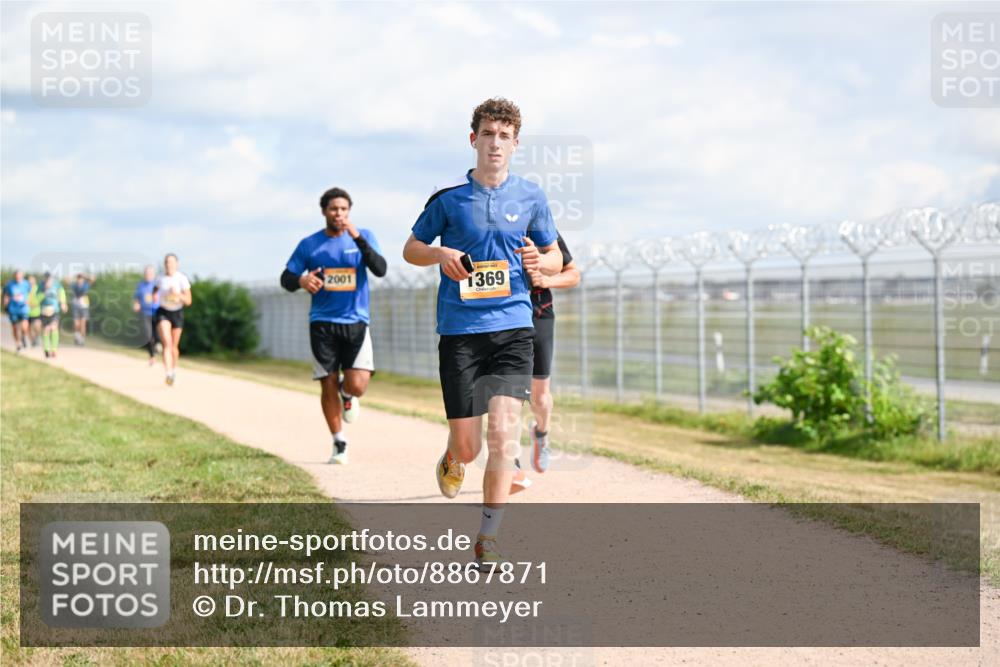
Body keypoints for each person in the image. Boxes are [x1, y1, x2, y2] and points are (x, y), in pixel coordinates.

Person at [402, 98, 562, 570]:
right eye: (488, 134)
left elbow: (555, 257)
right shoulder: (448, 201)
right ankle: (453, 455)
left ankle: (488, 537)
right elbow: (411, 248)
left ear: (516, 144)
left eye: (504, 136)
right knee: (469, 447)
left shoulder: (532, 198)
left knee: (504, 434)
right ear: (474, 140)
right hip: (460, 332)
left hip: (514, 328)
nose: (495, 143)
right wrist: (440, 255)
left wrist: (541, 264)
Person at [281, 187, 387, 465]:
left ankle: (348, 394)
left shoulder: (363, 236)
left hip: (356, 322)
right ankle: (339, 442)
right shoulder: (310, 244)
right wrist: (302, 281)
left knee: (358, 384)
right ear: (324, 212)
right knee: (326, 382)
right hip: (322, 324)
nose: (339, 214)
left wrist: (356, 237)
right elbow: (286, 277)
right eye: (333, 209)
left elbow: (380, 269)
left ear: (349, 211)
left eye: (343, 209)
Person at [510, 233, 580, 493]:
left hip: (539, 313)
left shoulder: (542, 229)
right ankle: (512, 463)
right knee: (509, 391)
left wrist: (547, 279)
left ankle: (541, 433)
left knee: (539, 398)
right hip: (502, 315)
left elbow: (574, 274)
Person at [152, 254, 192, 386]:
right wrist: (155, 298)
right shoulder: (160, 278)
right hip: (163, 312)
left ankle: (174, 370)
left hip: (177, 313)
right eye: (167, 262)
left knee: (174, 346)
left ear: (176, 264)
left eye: (171, 262)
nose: (169, 265)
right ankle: (168, 373)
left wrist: (178, 295)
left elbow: (188, 301)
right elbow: (154, 291)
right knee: (167, 343)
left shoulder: (182, 279)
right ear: (164, 265)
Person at [133, 265, 160, 366]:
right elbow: (137, 298)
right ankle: (152, 356)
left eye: (150, 273)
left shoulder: (157, 285)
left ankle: (157, 344)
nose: (148, 275)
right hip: (145, 313)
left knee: (157, 334)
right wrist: (136, 304)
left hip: (157, 312)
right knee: (147, 335)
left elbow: (163, 297)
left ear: (153, 275)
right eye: (146, 273)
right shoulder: (140, 285)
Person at [38, 273, 68, 358]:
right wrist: (44, 292)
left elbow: (61, 293)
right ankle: (46, 349)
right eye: (46, 279)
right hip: (44, 311)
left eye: (49, 279)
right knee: (46, 330)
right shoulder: (41, 285)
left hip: (54, 310)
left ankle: (54, 349)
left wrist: (63, 303)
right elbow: (37, 298)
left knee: (54, 327)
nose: (48, 281)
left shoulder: (57, 285)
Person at [3, 269, 31, 352]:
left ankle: (24, 336)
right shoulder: (10, 284)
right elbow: (6, 294)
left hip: (23, 308)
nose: (18, 278)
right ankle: (18, 343)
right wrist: (5, 301)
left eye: (19, 276)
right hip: (13, 308)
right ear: (14, 276)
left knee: (24, 326)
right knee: (14, 327)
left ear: (22, 276)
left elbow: (29, 293)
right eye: (16, 276)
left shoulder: (26, 284)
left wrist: (28, 300)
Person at [71, 273, 93, 346]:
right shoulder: (74, 285)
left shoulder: (86, 285)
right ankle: (77, 336)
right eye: (79, 278)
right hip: (76, 305)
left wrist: (86, 276)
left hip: (84, 305)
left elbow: (93, 279)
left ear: (83, 279)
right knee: (76, 324)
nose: (80, 280)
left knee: (83, 323)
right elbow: (66, 280)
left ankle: (82, 340)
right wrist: (74, 276)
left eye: (81, 278)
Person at [27, 275, 42, 347]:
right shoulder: (26, 289)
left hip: (37, 311)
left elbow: (41, 297)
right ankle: (32, 341)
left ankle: (37, 337)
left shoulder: (38, 288)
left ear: (35, 281)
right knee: (29, 328)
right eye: (29, 280)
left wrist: (36, 304)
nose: (30, 282)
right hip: (27, 312)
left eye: (32, 280)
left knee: (37, 326)